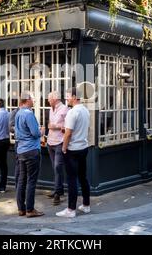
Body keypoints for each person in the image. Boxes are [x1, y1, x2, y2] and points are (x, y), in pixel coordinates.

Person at [56, 87, 91, 218]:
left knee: (72, 179)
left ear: (75, 97)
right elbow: (84, 129)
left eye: (68, 96)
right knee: (83, 177)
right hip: (84, 148)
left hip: (73, 150)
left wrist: (64, 148)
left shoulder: (72, 112)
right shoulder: (86, 111)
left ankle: (71, 210)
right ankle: (86, 205)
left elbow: (68, 133)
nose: (67, 99)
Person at [15, 92, 44, 218]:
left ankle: (21, 208)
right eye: (32, 99)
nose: (34, 101)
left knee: (22, 180)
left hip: (21, 150)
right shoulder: (28, 113)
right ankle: (30, 209)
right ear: (27, 100)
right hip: (31, 150)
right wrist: (41, 131)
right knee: (31, 181)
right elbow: (35, 133)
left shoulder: (18, 113)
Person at [46, 91, 69, 205]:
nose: (48, 101)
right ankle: (58, 190)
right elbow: (50, 123)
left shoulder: (65, 109)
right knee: (55, 168)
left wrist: (56, 126)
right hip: (50, 142)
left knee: (57, 168)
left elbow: (68, 127)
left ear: (55, 99)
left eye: (49, 99)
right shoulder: (51, 109)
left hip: (60, 142)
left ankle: (57, 194)